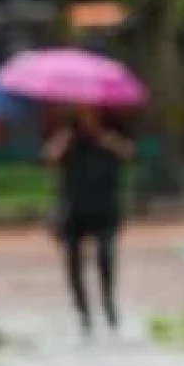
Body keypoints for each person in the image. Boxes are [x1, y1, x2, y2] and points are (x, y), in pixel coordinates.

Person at [43, 105, 135, 336]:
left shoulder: (113, 129)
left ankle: (108, 305)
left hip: (104, 205)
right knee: (73, 261)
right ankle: (83, 313)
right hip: (74, 207)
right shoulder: (66, 133)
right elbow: (49, 158)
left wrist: (106, 139)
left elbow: (129, 153)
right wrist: (63, 141)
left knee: (105, 257)